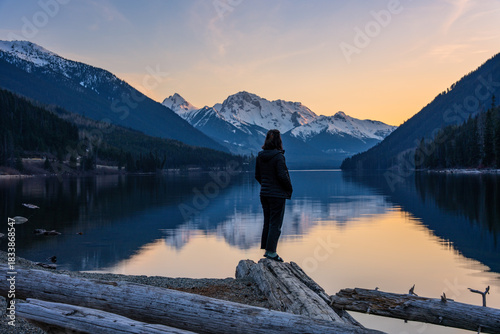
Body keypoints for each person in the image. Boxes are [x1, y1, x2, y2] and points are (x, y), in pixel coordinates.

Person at [255, 129, 293, 262]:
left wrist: (266, 185)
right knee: (275, 224)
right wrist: (289, 188)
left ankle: (267, 249)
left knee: (268, 221)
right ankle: (271, 252)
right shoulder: (278, 156)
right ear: (279, 141)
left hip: (264, 193)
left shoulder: (260, 155)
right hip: (276, 195)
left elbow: (257, 175)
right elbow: (282, 176)